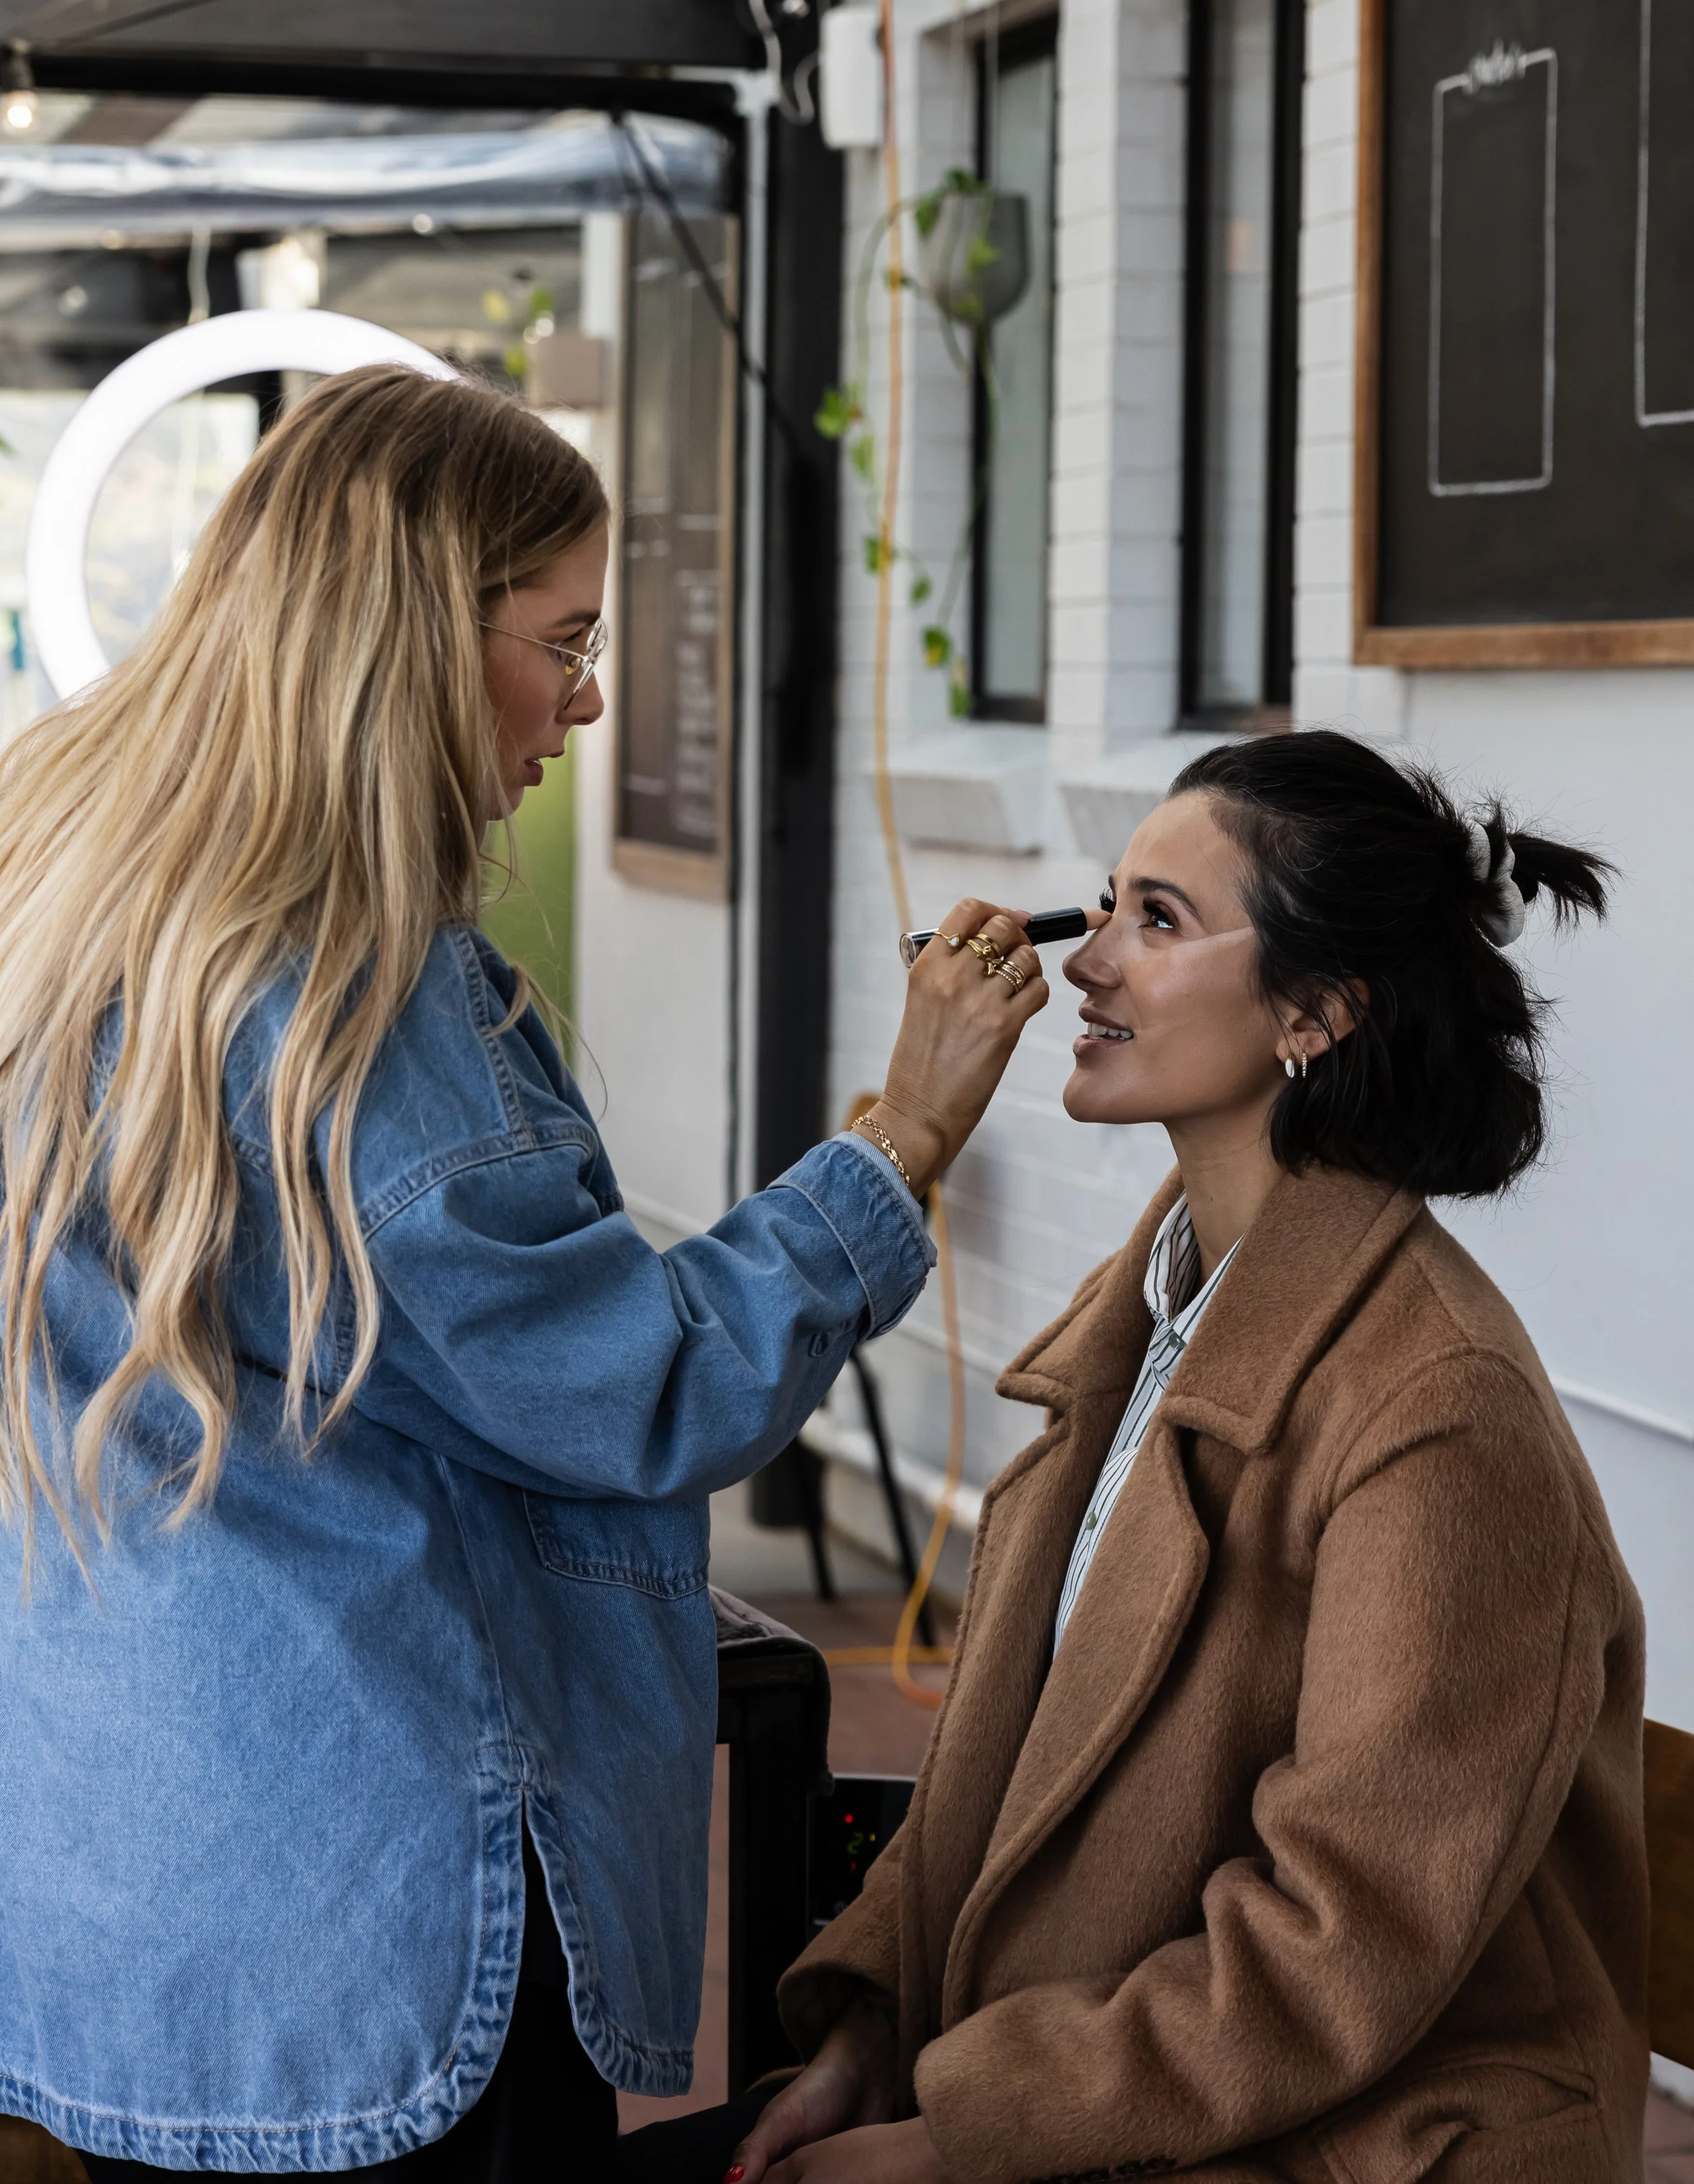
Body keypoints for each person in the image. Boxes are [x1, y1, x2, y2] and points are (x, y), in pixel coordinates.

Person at [0, 366, 1052, 2179]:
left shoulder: (66, 900)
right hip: (370, 1920)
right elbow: (635, 1384)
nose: (585, 695)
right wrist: (896, 1145)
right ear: (411, 630)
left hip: (128, 1893)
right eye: (561, 638)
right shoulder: (360, 992)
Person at [714, 731, 1645, 2184]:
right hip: (1136, 2106)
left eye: (1157, 921)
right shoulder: (1145, 1303)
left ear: (1315, 1012)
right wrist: (870, 2041)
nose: (1084, 960)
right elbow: (1004, 1767)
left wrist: (956, 2142)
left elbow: (1335, 1948)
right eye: (1106, 901)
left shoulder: (1435, 1409)